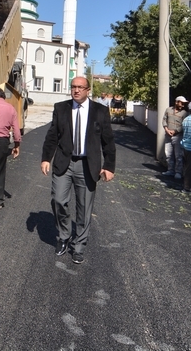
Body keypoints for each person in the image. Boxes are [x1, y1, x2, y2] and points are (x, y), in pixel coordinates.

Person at [41, 76, 116, 265]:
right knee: (58, 200)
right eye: (73, 87)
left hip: (87, 165)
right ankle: (64, 236)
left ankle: (79, 246)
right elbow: (52, 135)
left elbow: (108, 141)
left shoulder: (100, 111)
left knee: (84, 208)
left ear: (88, 90)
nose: (76, 90)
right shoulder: (61, 108)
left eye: (80, 87)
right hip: (64, 163)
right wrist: (45, 158)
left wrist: (109, 166)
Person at [162, 96, 188, 179]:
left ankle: (178, 172)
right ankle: (170, 170)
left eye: (184, 104)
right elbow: (164, 120)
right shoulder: (168, 110)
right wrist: (166, 129)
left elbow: (184, 125)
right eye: (181, 103)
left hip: (178, 136)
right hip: (168, 135)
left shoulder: (184, 113)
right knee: (168, 153)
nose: (182, 105)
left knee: (178, 155)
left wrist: (175, 131)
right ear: (176, 102)